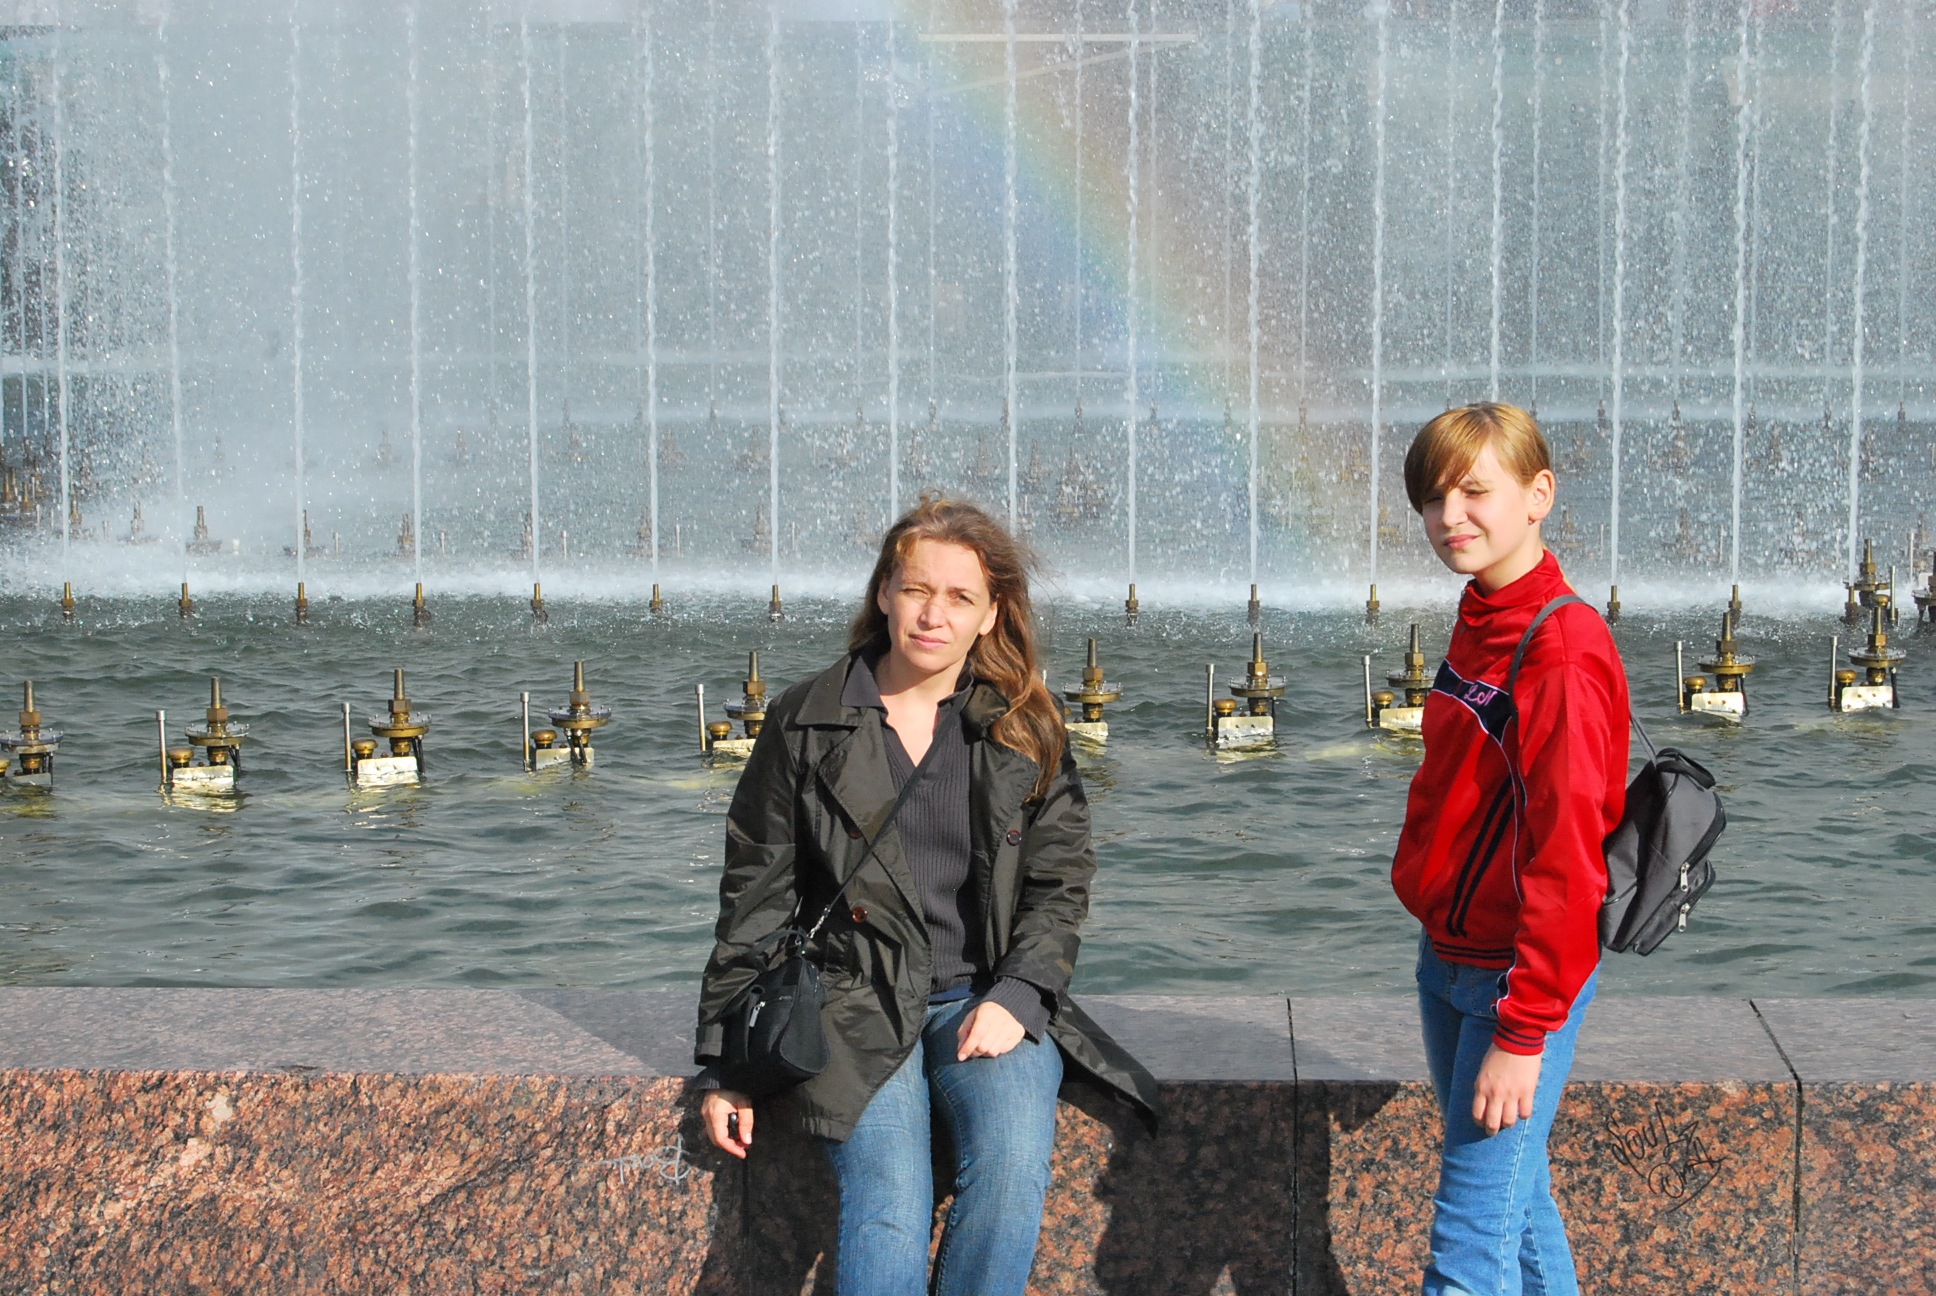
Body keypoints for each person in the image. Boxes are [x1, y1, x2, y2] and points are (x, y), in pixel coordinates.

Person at [694, 495, 1157, 1296]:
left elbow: (1059, 882)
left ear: (991, 614)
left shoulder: (1025, 724)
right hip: (851, 1002)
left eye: (959, 597)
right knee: (889, 1205)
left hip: (983, 998)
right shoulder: (807, 720)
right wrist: (727, 1065)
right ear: (884, 592)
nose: (933, 615)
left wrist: (1020, 992)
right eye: (916, 589)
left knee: (1012, 1172)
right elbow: (755, 894)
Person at [1390, 403, 1629, 1296]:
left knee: (1466, 1250)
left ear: (1538, 495)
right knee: (1519, 1212)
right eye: (1433, 498)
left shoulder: (1559, 650)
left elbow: (1571, 858)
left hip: (1514, 982)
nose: (1449, 517)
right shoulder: (1483, 611)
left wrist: (1525, 1032)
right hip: (1449, 955)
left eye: (1474, 492)